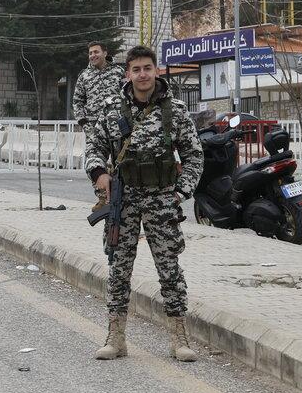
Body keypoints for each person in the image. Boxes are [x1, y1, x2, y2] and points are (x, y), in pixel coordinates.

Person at [83, 44, 204, 363]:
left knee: (169, 269)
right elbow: (94, 147)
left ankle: (179, 336)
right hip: (124, 198)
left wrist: (180, 191)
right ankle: (116, 336)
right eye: (136, 69)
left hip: (162, 198)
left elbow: (194, 155)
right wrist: (99, 174)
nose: (142, 75)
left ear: (156, 70)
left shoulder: (174, 110)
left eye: (147, 68)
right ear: (128, 74)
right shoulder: (111, 108)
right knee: (119, 269)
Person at [71, 41, 125, 129]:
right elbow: (77, 102)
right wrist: (84, 124)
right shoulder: (84, 76)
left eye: (96, 52)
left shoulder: (118, 72)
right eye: (90, 53)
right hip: (93, 129)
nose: (93, 55)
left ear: (105, 53)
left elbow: (127, 96)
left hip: (117, 127)